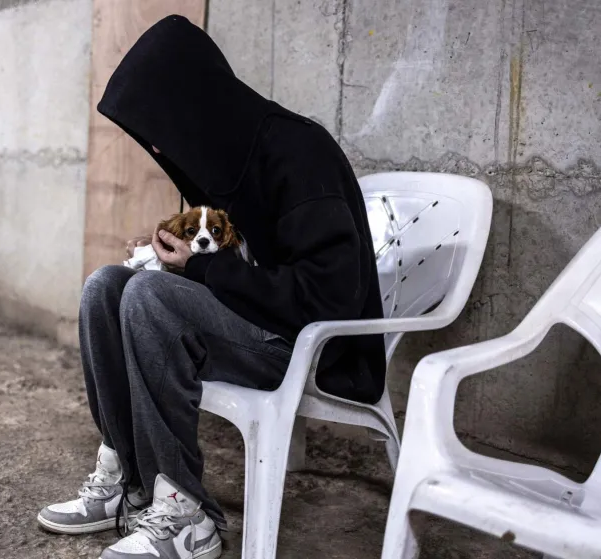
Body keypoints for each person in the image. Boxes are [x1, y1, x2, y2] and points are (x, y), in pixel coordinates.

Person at [37, 15, 386, 559]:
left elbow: (330, 296)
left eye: (161, 130)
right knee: (106, 286)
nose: (159, 150)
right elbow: (238, 262)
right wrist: (174, 256)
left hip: (308, 345)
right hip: (257, 323)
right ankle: (129, 481)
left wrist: (200, 272)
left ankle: (187, 517)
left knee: (147, 298)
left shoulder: (299, 151)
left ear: (192, 104)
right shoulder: (226, 160)